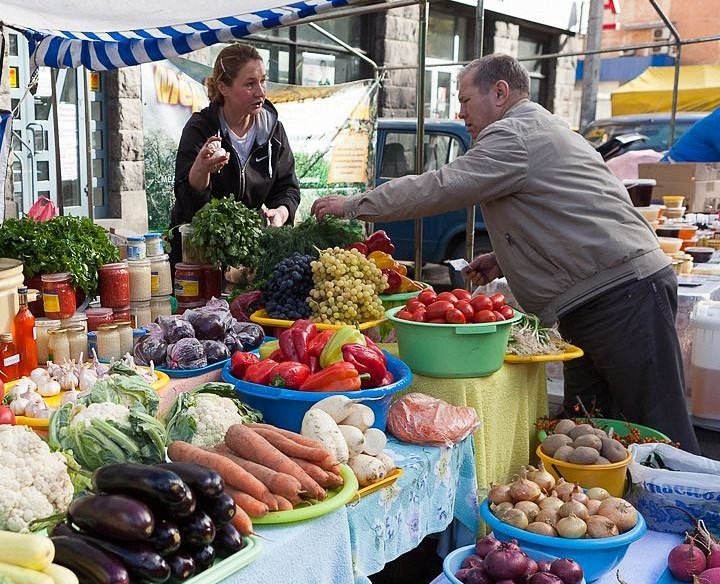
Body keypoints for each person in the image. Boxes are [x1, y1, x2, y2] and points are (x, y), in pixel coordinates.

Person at [310, 53, 700, 452]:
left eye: (464, 100)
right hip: (602, 295)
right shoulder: (535, 127)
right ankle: (615, 507)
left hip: (619, 295)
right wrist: (505, 256)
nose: (461, 113)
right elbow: (560, 209)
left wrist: (356, 205)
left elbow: (442, 186)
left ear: (500, 93)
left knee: (658, 425)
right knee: (590, 428)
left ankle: (695, 511)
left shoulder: (513, 134)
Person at [169, 43, 300, 263]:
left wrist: (280, 213)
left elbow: (288, 188)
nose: (260, 91)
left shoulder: (273, 130)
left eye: (263, 80)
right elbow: (187, 201)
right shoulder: (200, 129)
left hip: (251, 255)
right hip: (200, 256)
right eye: (250, 84)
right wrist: (200, 170)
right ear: (223, 87)